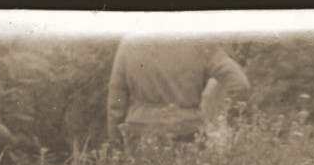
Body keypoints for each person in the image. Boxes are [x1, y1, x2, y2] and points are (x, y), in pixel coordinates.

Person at [105, 35, 250, 144]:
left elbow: (116, 99)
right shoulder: (200, 42)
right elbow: (240, 84)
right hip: (187, 132)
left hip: (139, 133)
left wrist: (116, 142)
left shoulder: (130, 42)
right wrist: (233, 124)